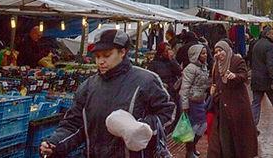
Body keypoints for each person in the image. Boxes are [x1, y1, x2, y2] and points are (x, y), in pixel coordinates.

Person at [40, 29, 175, 157]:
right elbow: (74, 124)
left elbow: (168, 112)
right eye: (97, 56)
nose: (100, 61)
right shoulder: (88, 86)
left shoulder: (146, 80)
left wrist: (140, 128)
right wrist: (55, 143)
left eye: (107, 55)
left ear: (122, 52)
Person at [207, 40, 259, 158]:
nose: (219, 54)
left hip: (237, 104)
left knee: (239, 132)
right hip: (222, 104)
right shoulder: (216, 64)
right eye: (216, 51)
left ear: (226, 49)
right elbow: (215, 81)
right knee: (224, 134)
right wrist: (213, 88)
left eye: (221, 50)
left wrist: (235, 76)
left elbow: (244, 75)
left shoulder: (236, 60)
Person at [180, 44, 210, 158]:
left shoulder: (203, 66)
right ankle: (189, 151)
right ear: (196, 55)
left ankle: (192, 148)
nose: (205, 55)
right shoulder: (190, 68)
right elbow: (185, 87)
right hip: (192, 101)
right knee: (193, 127)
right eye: (203, 53)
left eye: (205, 52)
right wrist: (185, 105)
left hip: (200, 99)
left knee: (201, 126)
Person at [148, 42, 183, 125]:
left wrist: (172, 60)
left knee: (175, 113)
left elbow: (179, 72)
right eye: (167, 50)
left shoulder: (171, 62)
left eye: (170, 49)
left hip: (173, 92)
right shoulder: (154, 64)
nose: (169, 52)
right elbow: (151, 79)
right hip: (162, 93)